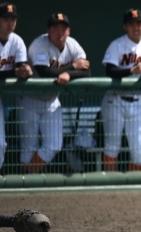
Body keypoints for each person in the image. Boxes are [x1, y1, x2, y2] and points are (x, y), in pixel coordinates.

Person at [19, 13, 90, 173]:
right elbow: (45, 72)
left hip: (52, 100)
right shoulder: (39, 44)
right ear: (48, 31)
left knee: (54, 145)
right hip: (30, 98)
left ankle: (29, 177)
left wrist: (68, 74)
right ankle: (26, 183)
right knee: (29, 147)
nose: (60, 33)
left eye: (63, 29)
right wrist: (73, 67)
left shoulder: (73, 45)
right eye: (55, 29)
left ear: (69, 31)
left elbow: (87, 71)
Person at [101, 8, 141, 172]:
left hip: (138, 101)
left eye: (139, 23)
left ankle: (134, 186)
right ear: (125, 27)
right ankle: (110, 183)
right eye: (131, 24)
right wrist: (132, 70)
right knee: (112, 146)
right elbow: (110, 70)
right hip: (115, 100)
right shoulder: (117, 44)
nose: (136, 27)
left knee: (140, 152)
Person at [0, 3, 32, 176]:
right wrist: (15, 72)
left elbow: (21, 66)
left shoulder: (17, 41)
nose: (10, 23)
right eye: (6, 19)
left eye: (13, 19)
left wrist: (25, 70)